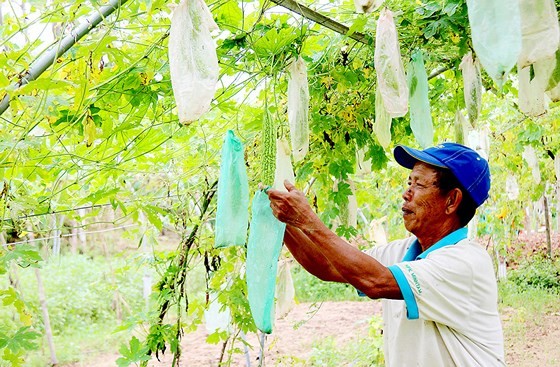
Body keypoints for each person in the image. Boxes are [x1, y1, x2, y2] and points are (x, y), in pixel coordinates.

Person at [265, 142, 505, 367]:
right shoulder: (400, 252)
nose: (406, 193)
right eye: (409, 183)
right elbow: (327, 265)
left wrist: (308, 220)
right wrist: (282, 220)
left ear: (451, 201)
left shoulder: (465, 263)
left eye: (418, 185)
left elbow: (375, 281)